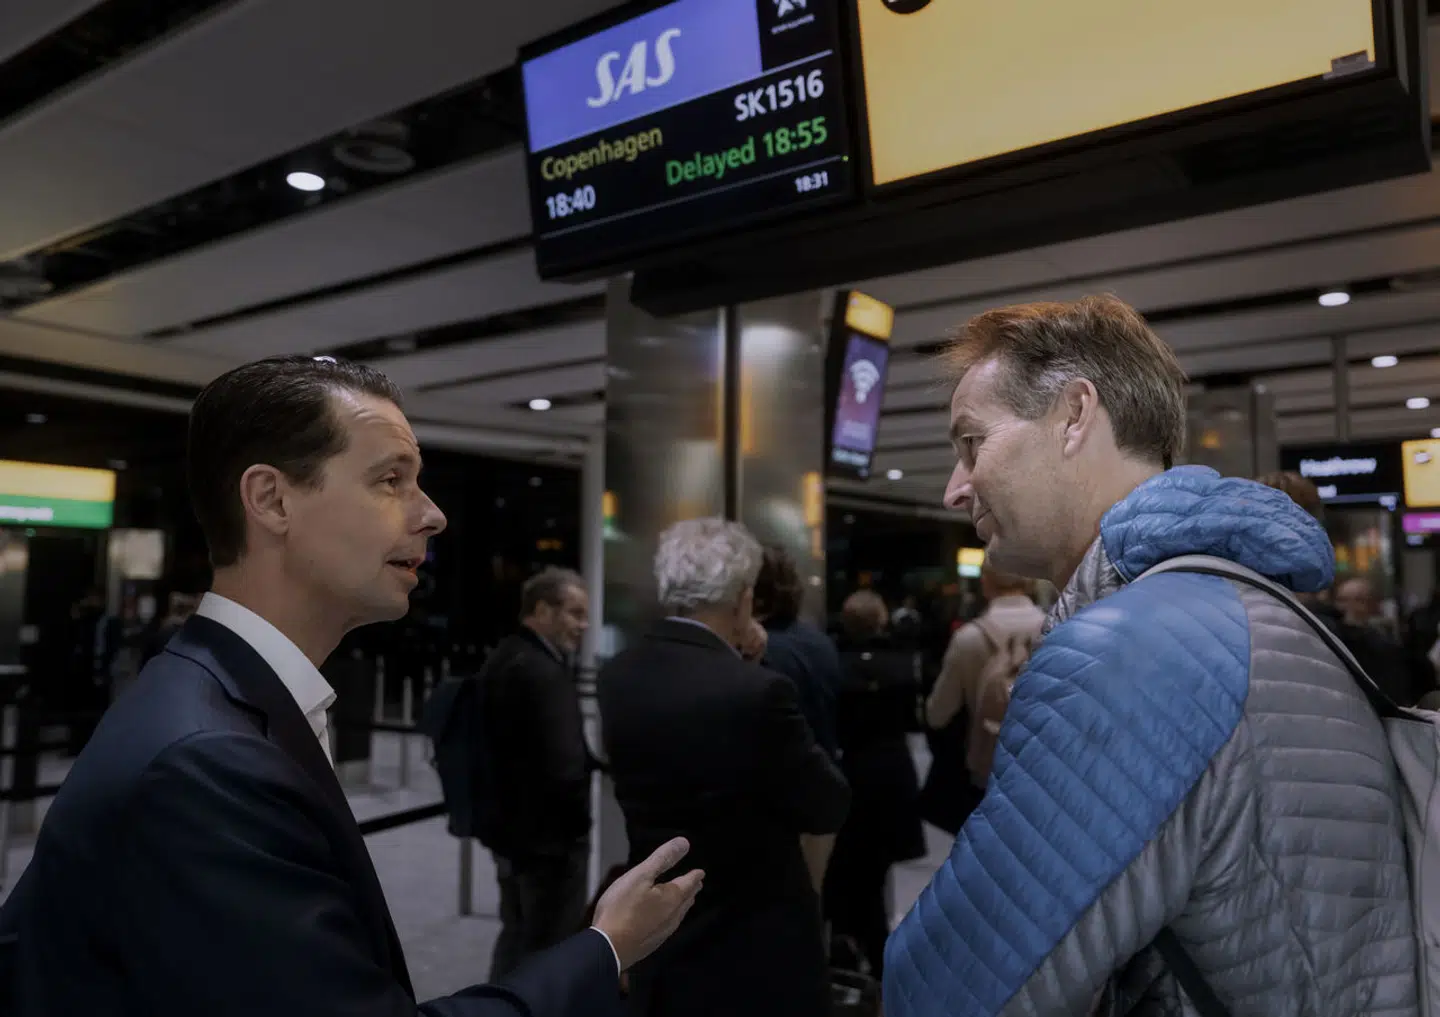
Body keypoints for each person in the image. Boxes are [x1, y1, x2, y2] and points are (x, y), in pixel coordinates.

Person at [0, 355, 702, 1016]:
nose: (432, 513)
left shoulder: (209, 691)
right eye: (390, 479)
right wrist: (606, 946)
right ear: (271, 499)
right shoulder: (206, 759)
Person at [885, 297, 1417, 1016]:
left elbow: (945, 991)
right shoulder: (1245, 604)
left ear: (1075, 415)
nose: (955, 487)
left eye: (971, 443)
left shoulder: (1129, 652)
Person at [597, 518, 851, 1017]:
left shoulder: (618, 676)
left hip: (660, 926)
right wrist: (752, 671)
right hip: (755, 940)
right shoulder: (757, 690)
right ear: (744, 597)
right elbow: (828, 804)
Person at [480, 567, 595, 977]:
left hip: (510, 840)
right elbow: (565, 766)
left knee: (516, 938)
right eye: (575, 614)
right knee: (548, 955)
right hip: (548, 847)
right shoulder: (543, 672)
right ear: (542, 610)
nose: (583, 626)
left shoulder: (505, 657)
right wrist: (577, 831)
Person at [824, 590, 925, 980]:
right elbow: (913, 719)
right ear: (883, 620)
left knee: (851, 864)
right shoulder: (901, 663)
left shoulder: (834, 664)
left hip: (852, 771)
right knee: (877, 868)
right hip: (892, 774)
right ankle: (876, 952)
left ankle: (853, 947)